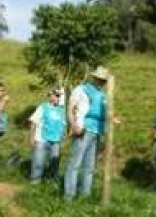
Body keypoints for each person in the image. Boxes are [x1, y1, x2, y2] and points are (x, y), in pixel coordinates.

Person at [64, 66, 118, 201]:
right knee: (75, 163)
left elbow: (105, 113)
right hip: (83, 129)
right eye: (99, 79)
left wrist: (112, 119)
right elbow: (70, 108)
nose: (101, 82)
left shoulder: (103, 95)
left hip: (97, 132)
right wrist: (73, 124)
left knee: (89, 166)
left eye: (103, 80)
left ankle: (84, 196)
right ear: (94, 78)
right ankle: (69, 196)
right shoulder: (81, 89)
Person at [29, 89, 66, 183]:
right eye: (56, 95)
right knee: (38, 161)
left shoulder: (61, 110)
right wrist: (32, 137)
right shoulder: (43, 107)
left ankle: (51, 180)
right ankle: (35, 181)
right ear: (50, 96)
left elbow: (62, 125)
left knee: (54, 162)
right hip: (42, 138)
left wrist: (62, 139)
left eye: (59, 96)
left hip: (56, 140)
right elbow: (33, 121)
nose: (57, 98)